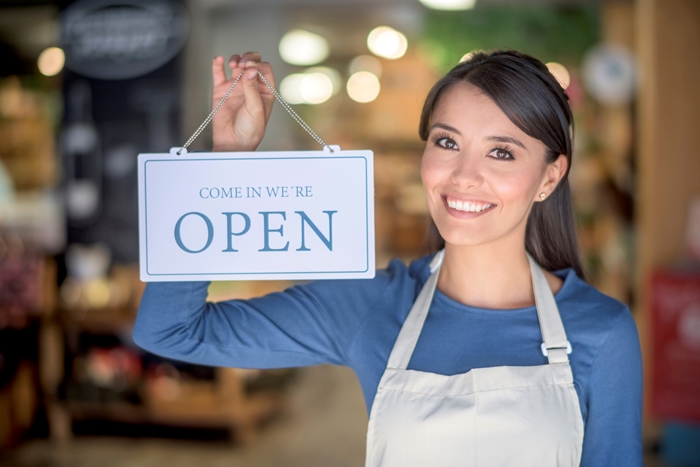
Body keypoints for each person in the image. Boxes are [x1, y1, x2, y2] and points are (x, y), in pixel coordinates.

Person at [133, 50, 642, 466]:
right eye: (447, 142)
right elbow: (171, 331)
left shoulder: (601, 332)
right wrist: (225, 167)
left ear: (549, 178)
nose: (464, 175)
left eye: (502, 152)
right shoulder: (372, 305)